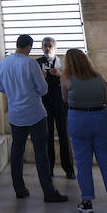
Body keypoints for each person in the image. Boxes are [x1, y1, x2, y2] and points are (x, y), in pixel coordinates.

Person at [0, 34, 68, 203]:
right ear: (29, 47)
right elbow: (43, 90)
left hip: (15, 115)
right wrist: (41, 79)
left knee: (16, 152)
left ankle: (19, 189)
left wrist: (14, 92)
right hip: (35, 114)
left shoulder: (4, 62)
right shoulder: (30, 63)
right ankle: (48, 192)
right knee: (41, 153)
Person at [61, 48, 107, 213]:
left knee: (83, 162)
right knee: (106, 161)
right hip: (100, 118)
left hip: (78, 119)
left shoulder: (67, 78)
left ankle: (87, 202)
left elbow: (65, 99)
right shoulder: (99, 77)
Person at [36, 37, 75, 180]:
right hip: (44, 105)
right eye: (45, 46)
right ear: (41, 48)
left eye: (50, 46)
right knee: (47, 138)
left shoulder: (64, 64)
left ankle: (69, 169)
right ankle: (49, 169)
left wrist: (60, 74)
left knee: (64, 136)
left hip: (61, 105)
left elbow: (71, 82)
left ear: (55, 48)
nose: (47, 48)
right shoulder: (36, 64)